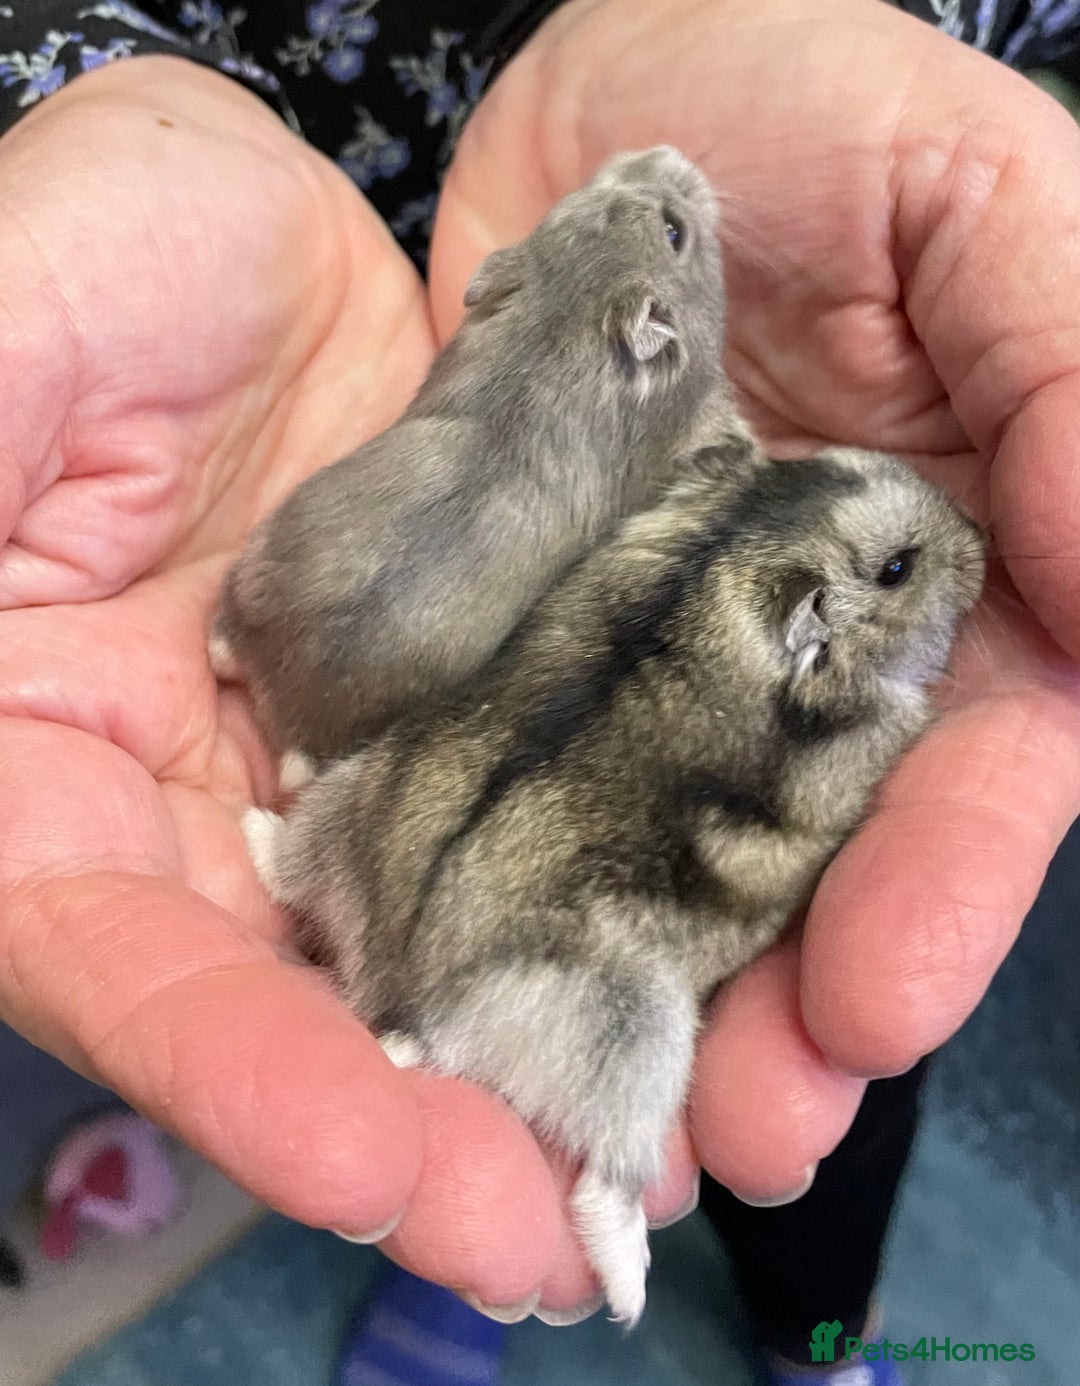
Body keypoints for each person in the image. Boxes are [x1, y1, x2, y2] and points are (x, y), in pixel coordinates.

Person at [0, 2, 1078, 1382]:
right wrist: (81, 69)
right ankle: (517, 1220)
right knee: (487, 1123)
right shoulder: (726, 591)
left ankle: (812, 1333)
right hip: (317, 231)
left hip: (438, 724)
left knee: (821, 1050)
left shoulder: (689, 551)